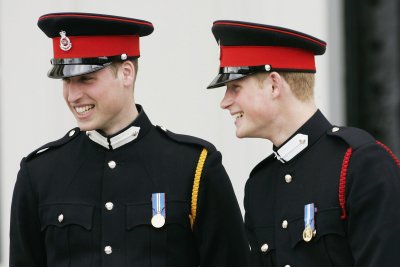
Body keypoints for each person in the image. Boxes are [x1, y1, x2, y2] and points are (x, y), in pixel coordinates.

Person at [10, 13, 250, 267]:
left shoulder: (194, 166)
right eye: (66, 81)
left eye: (85, 79)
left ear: (126, 73)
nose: (72, 95)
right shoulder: (38, 173)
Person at [206, 20, 400, 267]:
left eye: (235, 87)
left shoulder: (360, 164)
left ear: (274, 85)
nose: (225, 102)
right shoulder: (259, 186)